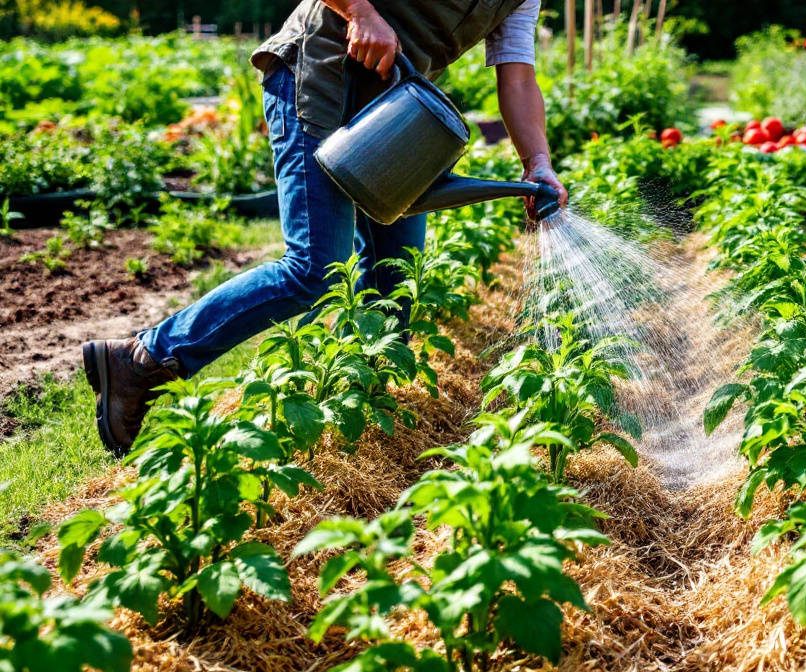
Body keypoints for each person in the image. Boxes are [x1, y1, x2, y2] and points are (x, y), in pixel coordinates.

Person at [81, 0, 566, 457]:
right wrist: (359, 10)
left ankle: (348, 426)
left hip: (393, 115)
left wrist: (537, 161)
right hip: (317, 76)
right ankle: (143, 359)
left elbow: (518, 75)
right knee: (315, 270)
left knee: (394, 285)